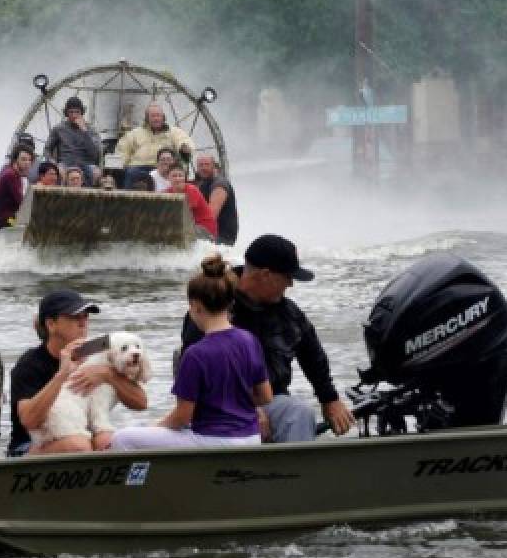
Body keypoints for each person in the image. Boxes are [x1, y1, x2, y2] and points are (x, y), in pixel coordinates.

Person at [180, 235, 354, 443]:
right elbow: (194, 371)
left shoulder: (288, 313)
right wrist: (249, 408)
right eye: (288, 277)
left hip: (272, 400)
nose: (291, 284)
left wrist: (330, 400)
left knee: (299, 412)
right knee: (296, 412)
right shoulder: (214, 304)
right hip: (218, 407)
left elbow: (313, 357)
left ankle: (296, 472)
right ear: (265, 275)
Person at [110, 254, 270, 450]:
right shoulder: (249, 340)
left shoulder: (196, 354)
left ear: (195, 306)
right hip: (251, 438)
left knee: (122, 438)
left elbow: (182, 417)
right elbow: (265, 397)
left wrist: (155, 427)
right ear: (229, 303)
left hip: (212, 441)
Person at [8, 289, 147, 456]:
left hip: (84, 432)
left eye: (85, 316)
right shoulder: (29, 364)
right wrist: (62, 375)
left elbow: (141, 403)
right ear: (51, 324)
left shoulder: (98, 355)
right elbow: (29, 421)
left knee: (110, 441)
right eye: (74, 317)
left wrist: (108, 374)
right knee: (79, 446)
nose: (83, 323)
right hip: (28, 444)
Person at [115, 103, 195, 186]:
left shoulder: (174, 132)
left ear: (163, 117)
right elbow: (122, 151)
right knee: (131, 173)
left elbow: (183, 140)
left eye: (158, 115)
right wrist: (117, 167)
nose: (156, 118)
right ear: (147, 118)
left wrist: (184, 147)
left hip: (164, 167)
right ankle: (129, 198)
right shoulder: (133, 134)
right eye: (153, 116)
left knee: (171, 173)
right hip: (138, 167)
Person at [44, 96, 101, 184]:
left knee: (96, 172)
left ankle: (89, 195)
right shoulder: (59, 129)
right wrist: (52, 162)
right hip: (66, 163)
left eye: (77, 112)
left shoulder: (91, 130)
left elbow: (95, 154)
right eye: (71, 112)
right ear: (66, 113)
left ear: (82, 113)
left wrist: (85, 132)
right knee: (59, 171)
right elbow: (47, 149)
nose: (74, 115)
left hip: (86, 163)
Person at [194, 153, 238, 246]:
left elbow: (211, 215)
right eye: (200, 165)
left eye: (206, 164)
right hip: (211, 233)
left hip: (222, 237)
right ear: (197, 168)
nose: (203, 168)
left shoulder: (219, 184)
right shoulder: (203, 183)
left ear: (214, 166)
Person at [0, 145, 34, 233]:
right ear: (15, 160)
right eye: (23, 159)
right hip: (3, 222)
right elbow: (22, 204)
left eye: (30, 160)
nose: (27, 163)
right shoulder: (11, 175)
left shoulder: (8, 169)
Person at [167, 163, 217, 240]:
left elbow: (185, 213)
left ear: (185, 178)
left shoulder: (191, 190)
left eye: (180, 176)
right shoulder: (167, 192)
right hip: (189, 227)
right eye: (174, 176)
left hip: (204, 229)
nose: (177, 179)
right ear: (168, 178)